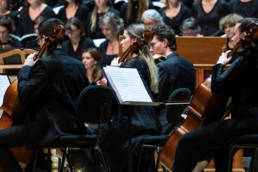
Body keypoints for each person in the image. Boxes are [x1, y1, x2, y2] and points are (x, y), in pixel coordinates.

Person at [0, 18, 89, 172]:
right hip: (75, 129)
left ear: (42, 38)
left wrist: (26, 68)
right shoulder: (79, 65)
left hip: (47, 130)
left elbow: (24, 94)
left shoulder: (44, 64)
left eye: (38, 39)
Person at [173, 17, 258, 172]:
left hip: (247, 121)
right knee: (219, 144)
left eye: (235, 34)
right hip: (252, 120)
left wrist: (219, 63)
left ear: (246, 35)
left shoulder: (247, 59)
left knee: (186, 140)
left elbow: (217, 86)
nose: (232, 38)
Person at [87, 23, 161, 172]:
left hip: (132, 124)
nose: (121, 41)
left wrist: (114, 72)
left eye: (125, 37)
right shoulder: (144, 61)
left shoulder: (133, 63)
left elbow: (116, 98)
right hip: (147, 123)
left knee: (89, 134)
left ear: (134, 41)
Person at [150, 24, 195, 126]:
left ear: (165, 42)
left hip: (163, 120)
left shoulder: (163, 66)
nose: (151, 49)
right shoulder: (189, 64)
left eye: (153, 44)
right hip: (184, 120)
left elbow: (156, 98)